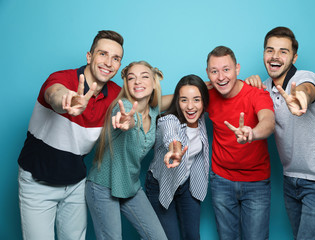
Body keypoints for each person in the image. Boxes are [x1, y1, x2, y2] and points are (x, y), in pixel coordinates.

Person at [17, 30, 124, 240]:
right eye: (102, 54)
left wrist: (196, 90)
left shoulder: (115, 93)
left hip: (75, 184)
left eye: (116, 58)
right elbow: (53, 93)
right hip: (37, 183)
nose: (109, 63)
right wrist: (67, 100)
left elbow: (149, 101)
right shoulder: (62, 78)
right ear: (89, 56)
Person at [245, 26, 315, 240]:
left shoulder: (305, 77)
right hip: (291, 179)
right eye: (270, 50)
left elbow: (307, 89)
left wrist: (301, 98)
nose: (275, 56)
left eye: (283, 51)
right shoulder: (263, 88)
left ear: (294, 57)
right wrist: (250, 86)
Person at [85, 61, 168, 240]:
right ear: (127, 85)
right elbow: (128, 119)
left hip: (130, 186)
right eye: (131, 78)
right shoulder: (123, 107)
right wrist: (127, 122)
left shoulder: (153, 110)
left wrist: (206, 87)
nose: (137, 81)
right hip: (102, 186)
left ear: (154, 82)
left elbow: (175, 97)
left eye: (144, 76)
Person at [206, 46, 275, 240]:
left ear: (237, 69)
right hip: (221, 181)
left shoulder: (256, 93)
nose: (221, 77)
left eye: (226, 69)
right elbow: (176, 101)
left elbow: (269, 122)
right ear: (208, 73)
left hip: (256, 183)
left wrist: (252, 133)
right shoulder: (208, 94)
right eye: (214, 71)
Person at [145, 74, 210, 240]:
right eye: (183, 100)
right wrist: (175, 149)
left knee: (192, 236)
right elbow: (171, 136)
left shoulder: (201, 118)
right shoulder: (169, 120)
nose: (190, 106)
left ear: (204, 101)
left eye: (196, 99)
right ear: (177, 101)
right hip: (161, 184)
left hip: (187, 185)